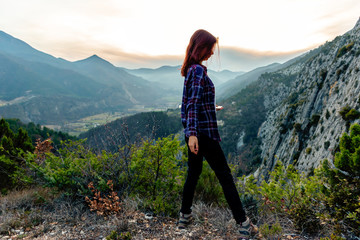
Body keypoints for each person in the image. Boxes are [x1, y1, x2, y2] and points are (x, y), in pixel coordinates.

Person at [179, 29, 257, 238]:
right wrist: (195, 134)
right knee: (225, 177)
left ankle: (184, 217)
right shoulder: (196, 71)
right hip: (203, 135)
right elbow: (192, 104)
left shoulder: (191, 70)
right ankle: (244, 224)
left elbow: (192, 103)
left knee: (193, 175)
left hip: (194, 133)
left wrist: (210, 111)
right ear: (201, 47)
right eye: (210, 48)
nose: (212, 53)